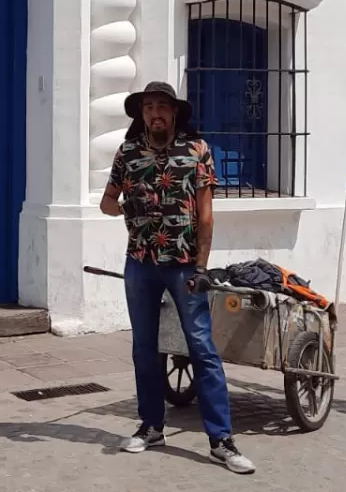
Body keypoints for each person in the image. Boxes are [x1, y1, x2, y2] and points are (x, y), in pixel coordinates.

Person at [100, 81, 256, 475]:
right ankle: (152, 426)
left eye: (162, 107)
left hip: (185, 264)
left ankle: (221, 440)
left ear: (174, 114)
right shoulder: (128, 153)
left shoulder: (197, 151)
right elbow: (107, 202)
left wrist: (202, 268)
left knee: (202, 348)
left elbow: (206, 215)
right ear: (141, 115)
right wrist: (128, 210)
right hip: (140, 263)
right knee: (144, 348)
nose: (155, 113)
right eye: (148, 107)